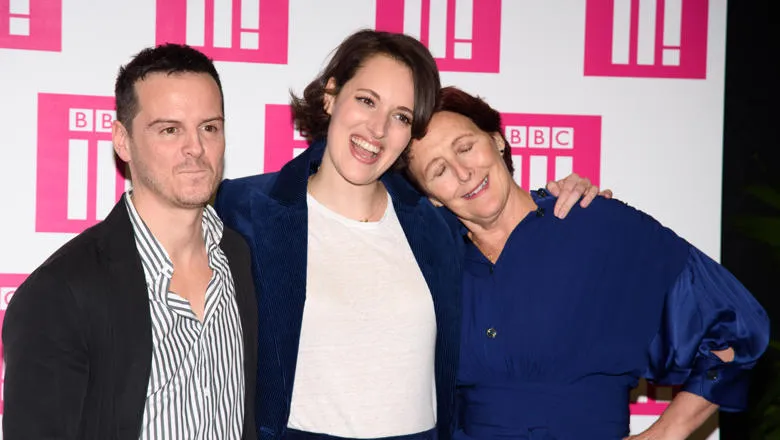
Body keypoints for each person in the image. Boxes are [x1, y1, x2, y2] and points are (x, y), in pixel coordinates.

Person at [215, 30, 601, 440]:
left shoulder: (438, 223)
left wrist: (563, 205)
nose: (378, 128)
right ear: (331, 96)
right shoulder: (243, 209)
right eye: (366, 100)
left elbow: (509, 232)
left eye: (401, 116)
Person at [399, 86, 771, 440]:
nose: (463, 172)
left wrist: (666, 432)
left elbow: (738, 329)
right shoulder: (433, 270)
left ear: (497, 140)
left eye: (466, 147)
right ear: (430, 197)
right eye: (439, 170)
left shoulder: (598, 225)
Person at [2, 44, 258, 440]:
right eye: (170, 130)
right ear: (123, 140)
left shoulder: (239, 258)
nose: (196, 148)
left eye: (209, 127)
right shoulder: (59, 294)